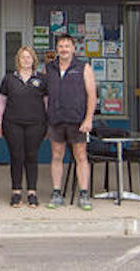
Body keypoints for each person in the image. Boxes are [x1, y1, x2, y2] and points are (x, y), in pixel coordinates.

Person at [44, 34, 97, 211]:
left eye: (67, 46)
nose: (64, 49)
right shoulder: (49, 68)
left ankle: (84, 194)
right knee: (56, 155)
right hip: (56, 119)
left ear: (74, 48)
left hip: (78, 121)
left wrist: (88, 118)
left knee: (81, 155)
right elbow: (45, 95)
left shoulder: (84, 67)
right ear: (57, 49)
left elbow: (92, 95)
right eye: (61, 46)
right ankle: (57, 193)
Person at [0, 46, 48, 208]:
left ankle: (32, 192)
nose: (26, 60)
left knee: (32, 156)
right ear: (18, 60)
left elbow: (47, 103)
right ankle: (16, 191)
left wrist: (47, 123)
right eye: (23, 57)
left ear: (34, 60)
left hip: (36, 123)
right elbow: (1, 102)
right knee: (16, 156)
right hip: (13, 123)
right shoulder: (9, 79)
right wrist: (0, 124)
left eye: (29, 57)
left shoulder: (41, 79)